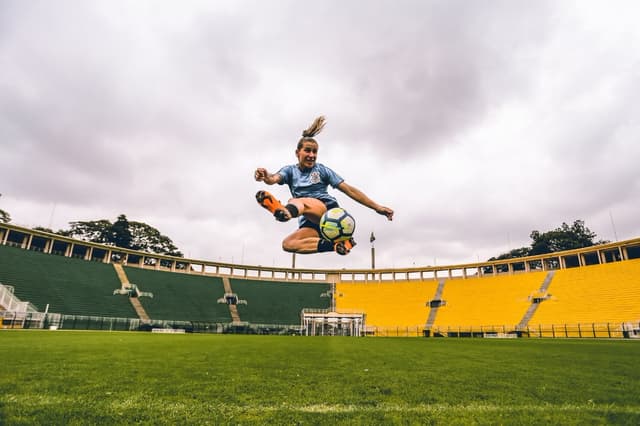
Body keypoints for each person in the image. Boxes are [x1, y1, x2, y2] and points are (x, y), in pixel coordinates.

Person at [254, 116, 394, 256]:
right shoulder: (289, 171)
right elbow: (273, 178)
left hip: (327, 212)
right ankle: (336, 245)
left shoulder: (322, 170)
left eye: (315, 152)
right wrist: (266, 176)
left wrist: (377, 207)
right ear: (297, 153)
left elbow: (349, 190)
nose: (312, 155)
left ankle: (285, 211)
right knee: (288, 244)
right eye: (307, 151)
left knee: (295, 201)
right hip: (309, 221)